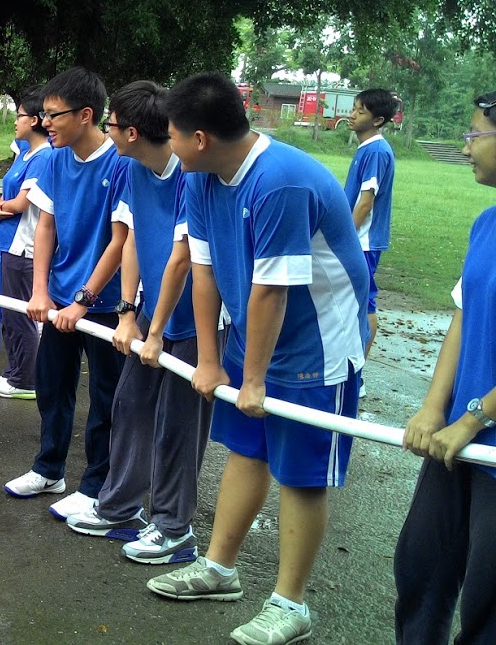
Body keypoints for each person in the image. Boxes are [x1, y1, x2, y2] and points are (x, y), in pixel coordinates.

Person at [145, 73, 367, 645]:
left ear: (199, 138)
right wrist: (211, 360)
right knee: (246, 451)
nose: (168, 144)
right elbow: (203, 270)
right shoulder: (201, 176)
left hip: (315, 345)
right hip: (254, 336)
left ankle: (290, 604)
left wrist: (256, 379)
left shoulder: (280, 182)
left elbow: (273, 290)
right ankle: (219, 569)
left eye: (171, 134)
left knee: (300, 473)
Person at [62, 81, 214, 566]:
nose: (106, 131)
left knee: (178, 425)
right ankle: (121, 507)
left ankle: (174, 529)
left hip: (198, 317)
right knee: (129, 404)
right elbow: (130, 241)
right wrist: (129, 314)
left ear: (131, 132)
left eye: (110, 124)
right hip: (152, 311)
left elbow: (181, 260)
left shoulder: (190, 176)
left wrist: (156, 332)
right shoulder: (132, 167)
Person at [394, 86, 496, 644]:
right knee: (421, 568)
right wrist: (433, 408)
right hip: (457, 437)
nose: (465, 148)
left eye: (474, 135)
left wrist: (473, 419)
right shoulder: (488, 223)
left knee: (491, 604)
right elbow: (463, 321)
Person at [2, 68, 130, 516]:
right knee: (52, 385)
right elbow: (45, 228)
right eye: (43, 114)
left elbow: (121, 242)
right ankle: (48, 468)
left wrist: (83, 301)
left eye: (53, 115)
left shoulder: (121, 162)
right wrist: (41, 291)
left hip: (106, 304)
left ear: (86, 115)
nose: (45, 123)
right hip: (59, 296)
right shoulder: (56, 159)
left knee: (105, 398)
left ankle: (96, 485)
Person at [0, 87, 52, 400]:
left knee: (18, 314)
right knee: (9, 313)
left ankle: (25, 380)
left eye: (20, 115)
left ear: (34, 120)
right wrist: (0, 205)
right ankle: (14, 371)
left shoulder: (43, 156)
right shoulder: (25, 153)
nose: (15, 120)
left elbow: (23, 203)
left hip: (23, 245)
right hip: (8, 242)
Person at [343, 88, 397, 392]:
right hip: (359, 241)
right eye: (353, 108)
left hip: (362, 242)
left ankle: (358, 375)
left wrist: (345, 239)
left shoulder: (376, 151)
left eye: (360, 111)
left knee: (365, 304)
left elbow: (365, 202)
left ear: (378, 120)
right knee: (357, 302)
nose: (352, 115)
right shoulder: (367, 149)